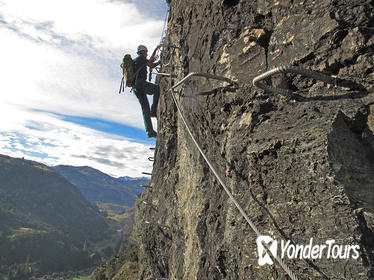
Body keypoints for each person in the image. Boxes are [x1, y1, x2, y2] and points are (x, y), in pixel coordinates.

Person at [133, 45, 161, 138]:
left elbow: (150, 61)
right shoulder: (141, 58)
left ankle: (150, 131)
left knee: (145, 108)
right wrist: (160, 62)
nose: (147, 53)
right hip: (141, 84)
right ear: (142, 52)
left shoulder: (137, 60)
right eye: (146, 52)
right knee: (157, 89)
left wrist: (156, 50)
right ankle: (153, 111)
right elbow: (151, 64)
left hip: (135, 87)